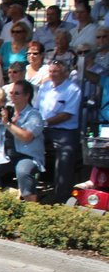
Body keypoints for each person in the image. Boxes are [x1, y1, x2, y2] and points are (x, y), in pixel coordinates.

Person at [0, 80, 45, 202]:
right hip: (4, 155)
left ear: (27, 96)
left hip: (26, 156)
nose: (12, 96)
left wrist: (7, 123)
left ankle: (31, 206)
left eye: (16, 93)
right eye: (11, 93)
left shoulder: (34, 115)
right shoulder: (7, 111)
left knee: (23, 171)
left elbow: (26, 137)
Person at [36, 58, 82, 204]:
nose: (53, 74)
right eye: (50, 71)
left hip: (64, 131)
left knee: (65, 155)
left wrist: (44, 122)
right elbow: (37, 108)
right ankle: (28, 189)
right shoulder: (45, 86)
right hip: (43, 128)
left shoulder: (73, 89)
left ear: (65, 73)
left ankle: (61, 198)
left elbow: (67, 115)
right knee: (25, 143)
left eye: (56, 72)